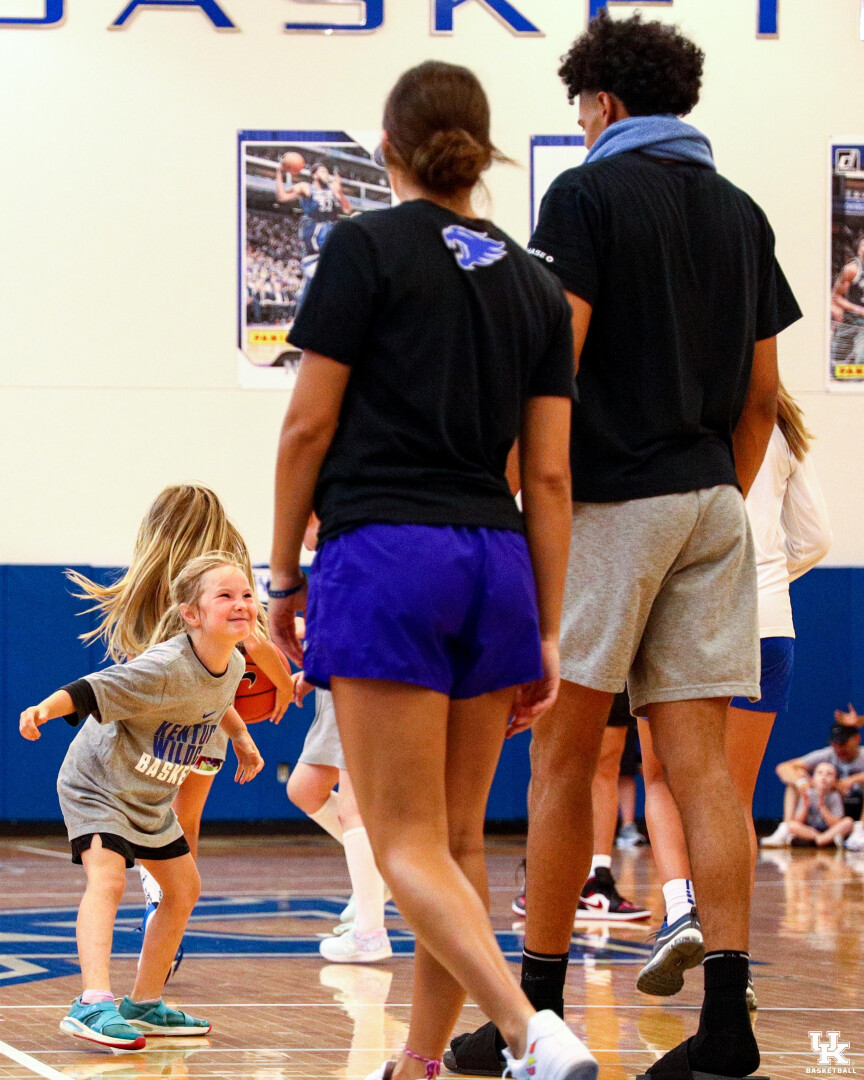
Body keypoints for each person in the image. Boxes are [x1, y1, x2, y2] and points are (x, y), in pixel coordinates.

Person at [447, 13, 801, 1079]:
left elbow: (551, 365)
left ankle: (538, 1015)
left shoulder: (586, 195)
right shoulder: (742, 211)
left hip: (609, 508)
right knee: (704, 776)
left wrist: (506, 504)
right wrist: (711, 491)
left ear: (601, 102)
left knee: (563, 762)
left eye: (579, 108)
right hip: (714, 504)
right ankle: (727, 1029)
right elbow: (764, 397)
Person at [269, 59, 594, 1080]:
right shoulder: (536, 284)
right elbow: (549, 475)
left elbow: (306, 427)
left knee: (402, 840)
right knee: (455, 845)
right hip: (497, 562)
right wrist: (548, 629)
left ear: (388, 148)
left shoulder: (363, 247)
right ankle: (418, 1062)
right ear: (482, 152)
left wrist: (281, 578)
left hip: (387, 552)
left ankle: (529, 1031)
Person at [19, 554, 265, 1049]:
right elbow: (90, 689)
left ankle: (145, 1004)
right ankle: (92, 1002)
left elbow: (217, 701)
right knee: (108, 881)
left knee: (184, 889)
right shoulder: (163, 667)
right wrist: (43, 710)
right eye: (225, 596)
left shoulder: (234, 662)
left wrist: (241, 738)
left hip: (148, 796)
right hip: (99, 787)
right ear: (190, 614)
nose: (241, 603)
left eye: (246, 595)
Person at [636, 384, 831, 1000]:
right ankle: (732, 961)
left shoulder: (680, 411)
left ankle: (679, 915)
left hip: (684, 619)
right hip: (770, 623)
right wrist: (767, 581)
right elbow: (817, 538)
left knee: (661, 779)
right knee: (734, 800)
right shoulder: (782, 425)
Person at [68, 484, 293, 976]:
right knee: (182, 825)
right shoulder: (219, 578)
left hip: (151, 730)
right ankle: (164, 908)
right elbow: (257, 646)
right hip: (206, 726)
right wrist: (283, 686)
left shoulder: (152, 584)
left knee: (140, 818)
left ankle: (155, 895)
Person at [773, 723, 864, 851]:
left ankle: (860, 831)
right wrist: (803, 782)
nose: (838, 748)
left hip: (854, 808)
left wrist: (852, 780)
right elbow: (783, 768)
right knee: (795, 778)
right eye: (835, 743)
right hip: (826, 803)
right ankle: (786, 829)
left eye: (843, 743)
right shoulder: (827, 754)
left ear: (856, 739)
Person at [275, 160, 352, 303]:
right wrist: (279, 172)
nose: (326, 174)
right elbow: (282, 196)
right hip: (314, 229)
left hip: (329, 230)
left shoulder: (332, 190)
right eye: (323, 171)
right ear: (314, 175)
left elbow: (348, 210)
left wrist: (339, 193)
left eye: (327, 172)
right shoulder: (306, 187)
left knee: (323, 278)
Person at [786, 762, 854, 847]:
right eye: (820, 773)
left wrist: (822, 808)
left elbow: (836, 823)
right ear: (813, 779)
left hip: (829, 831)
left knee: (848, 822)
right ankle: (821, 839)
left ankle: (822, 839)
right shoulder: (808, 794)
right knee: (791, 825)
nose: (824, 777)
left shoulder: (835, 796)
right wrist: (805, 807)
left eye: (829, 774)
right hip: (811, 831)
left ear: (834, 781)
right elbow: (798, 821)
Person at [831, 236, 864, 367]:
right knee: (837, 364)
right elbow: (836, 297)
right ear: (859, 249)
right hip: (851, 319)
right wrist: (859, 310)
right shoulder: (852, 269)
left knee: (861, 359)